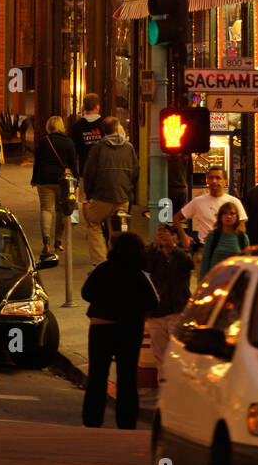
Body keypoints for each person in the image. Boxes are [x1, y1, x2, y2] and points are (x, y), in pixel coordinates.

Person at [81, 232, 159, 430]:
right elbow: (153, 301)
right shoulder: (139, 274)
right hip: (130, 328)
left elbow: (86, 292)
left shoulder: (103, 268)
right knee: (127, 376)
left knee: (97, 374)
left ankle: (92, 419)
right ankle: (126, 421)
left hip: (101, 326)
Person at [82, 117, 139, 266]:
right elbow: (135, 172)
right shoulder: (129, 147)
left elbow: (89, 173)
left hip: (102, 196)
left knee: (93, 222)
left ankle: (100, 261)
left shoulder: (98, 148)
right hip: (122, 196)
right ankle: (120, 260)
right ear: (116, 129)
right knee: (118, 228)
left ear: (103, 131)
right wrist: (128, 189)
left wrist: (89, 195)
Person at [174, 167, 248, 274]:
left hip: (228, 252)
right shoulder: (198, 201)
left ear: (225, 181)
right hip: (203, 251)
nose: (214, 181)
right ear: (207, 180)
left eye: (218, 178)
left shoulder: (234, 202)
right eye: (211, 177)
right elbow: (176, 218)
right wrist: (183, 236)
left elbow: (242, 227)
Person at [146, 222, 193, 380]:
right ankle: (164, 389)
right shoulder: (155, 256)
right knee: (160, 356)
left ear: (176, 238)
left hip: (177, 312)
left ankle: (179, 388)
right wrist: (154, 245)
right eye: (162, 233)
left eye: (169, 233)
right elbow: (145, 265)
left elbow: (189, 264)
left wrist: (173, 247)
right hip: (157, 313)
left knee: (178, 354)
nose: (165, 236)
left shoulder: (182, 255)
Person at [31, 115, 78, 257]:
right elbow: (73, 163)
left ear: (49, 126)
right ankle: (58, 241)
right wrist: (75, 182)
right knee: (61, 211)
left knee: (46, 209)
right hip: (63, 181)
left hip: (44, 179)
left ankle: (46, 241)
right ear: (61, 126)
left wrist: (34, 179)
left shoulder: (43, 142)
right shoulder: (68, 142)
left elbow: (37, 162)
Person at [199, 202, 249, 278]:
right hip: (215, 280)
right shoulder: (213, 236)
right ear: (220, 217)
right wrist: (202, 282)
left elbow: (246, 264)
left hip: (234, 282)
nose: (228, 216)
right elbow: (205, 261)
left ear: (237, 217)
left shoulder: (242, 238)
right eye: (224, 213)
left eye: (232, 214)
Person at [70, 95, 104, 194]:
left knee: (86, 199)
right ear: (97, 106)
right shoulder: (104, 123)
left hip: (84, 167)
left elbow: (73, 150)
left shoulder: (77, 126)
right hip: (102, 167)